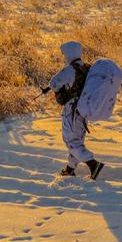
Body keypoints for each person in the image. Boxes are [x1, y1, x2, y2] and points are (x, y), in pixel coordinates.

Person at [48, 41, 103, 179]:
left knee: (71, 141)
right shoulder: (88, 68)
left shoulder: (69, 70)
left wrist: (60, 90)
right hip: (84, 109)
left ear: (68, 54)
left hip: (71, 110)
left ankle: (93, 164)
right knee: (77, 140)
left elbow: (53, 83)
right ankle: (70, 168)